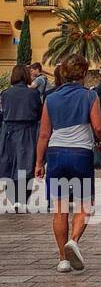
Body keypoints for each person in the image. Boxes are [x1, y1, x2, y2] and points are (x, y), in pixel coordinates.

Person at [35, 56, 101, 272]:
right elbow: (97, 126)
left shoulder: (51, 98)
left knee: (59, 209)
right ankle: (74, 241)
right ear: (84, 73)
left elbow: (43, 134)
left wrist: (39, 162)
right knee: (85, 204)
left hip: (55, 154)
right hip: (80, 155)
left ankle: (63, 259)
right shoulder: (89, 95)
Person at [0, 64, 42, 213]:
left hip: (8, 132)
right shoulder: (33, 94)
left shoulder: (5, 94)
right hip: (27, 131)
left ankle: (12, 199)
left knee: (9, 164)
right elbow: (38, 112)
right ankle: (22, 199)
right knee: (26, 164)